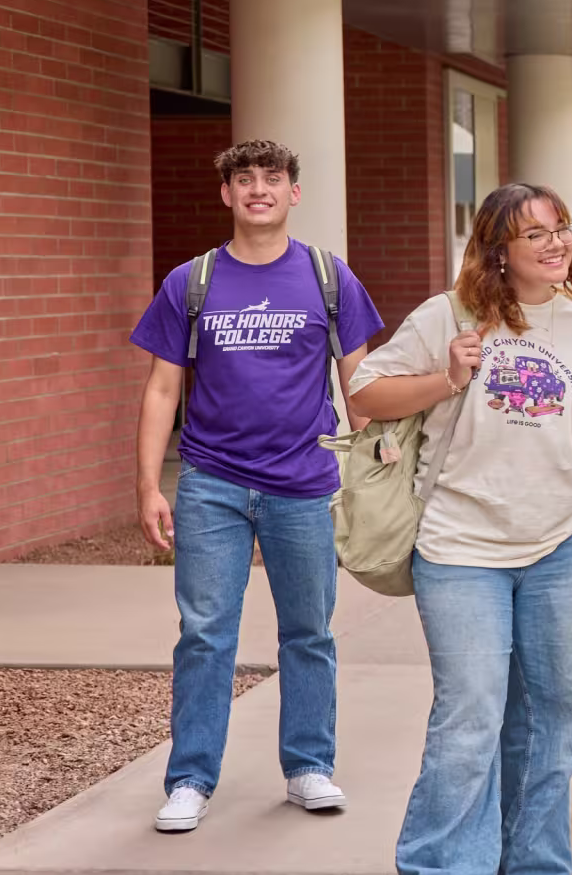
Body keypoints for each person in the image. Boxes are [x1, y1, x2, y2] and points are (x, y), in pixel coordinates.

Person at [347, 182, 572, 875]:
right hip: (461, 544)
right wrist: (448, 377)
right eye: (533, 233)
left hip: (562, 542)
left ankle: (531, 867)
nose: (553, 243)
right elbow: (362, 394)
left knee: (560, 707)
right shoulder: (449, 315)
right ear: (497, 249)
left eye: (560, 228)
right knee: (472, 710)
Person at [131, 139, 383, 834]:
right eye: (245, 180)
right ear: (227, 195)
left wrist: (381, 457)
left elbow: (358, 384)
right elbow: (160, 390)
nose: (259, 190)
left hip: (302, 483)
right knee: (205, 635)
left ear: (293, 193)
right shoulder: (193, 279)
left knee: (308, 632)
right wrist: (150, 485)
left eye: (273, 179)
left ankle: (308, 766)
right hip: (210, 482)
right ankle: (189, 779)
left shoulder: (329, 278)